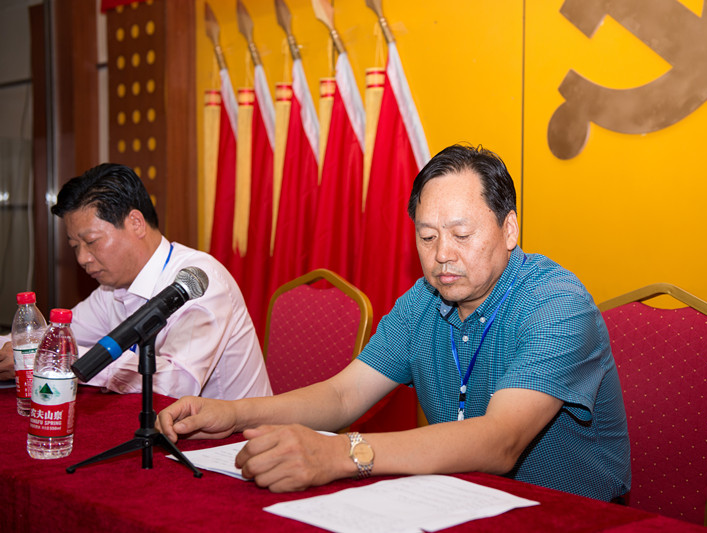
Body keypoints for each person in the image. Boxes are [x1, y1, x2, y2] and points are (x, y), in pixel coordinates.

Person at [155, 144, 631, 501]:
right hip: (458, 501)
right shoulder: (422, 302)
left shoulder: (557, 304)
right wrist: (234, 413)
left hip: (570, 517)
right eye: (427, 237)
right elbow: (343, 396)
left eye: (462, 234)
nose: (442, 255)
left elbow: (500, 441)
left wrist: (341, 454)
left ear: (509, 229)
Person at [0, 163, 271, 400]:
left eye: (91, 242)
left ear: (136, 223)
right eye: (74, 246)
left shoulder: (197, 282)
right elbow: (57, 336)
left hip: (235, 437)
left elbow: (179, 385)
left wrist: (59, 357)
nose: (82, 258)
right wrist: (17, 348)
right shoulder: (111, 288)